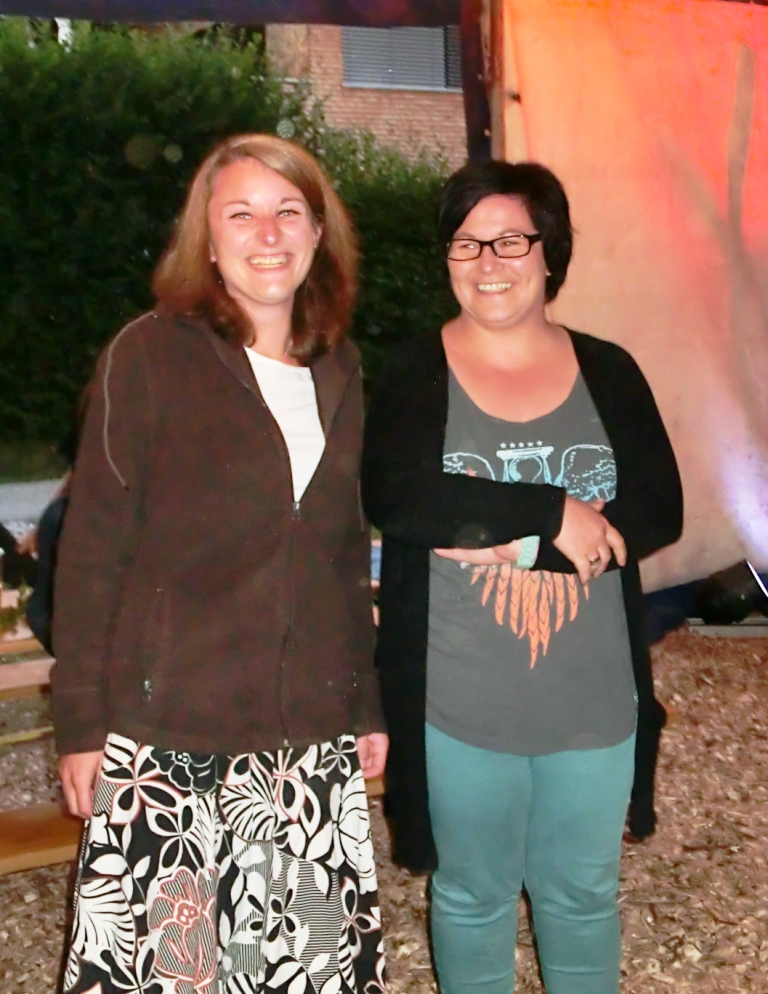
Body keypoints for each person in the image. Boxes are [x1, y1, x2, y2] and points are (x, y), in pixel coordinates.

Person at [52, 133, 388, 994]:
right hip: (173, 745)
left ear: (318, 233)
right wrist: (82, 724)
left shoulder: (339, 368)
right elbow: (91, 552)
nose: (267, 234)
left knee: (302, 974)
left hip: (308, 744)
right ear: (206, 240)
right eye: (241, 214)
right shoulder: (149, 356)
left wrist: (364, 700)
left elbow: (342, 553)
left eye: (289, 212)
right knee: (175, 976)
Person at [362, 160, 682, 994]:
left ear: (550, 252)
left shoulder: (608, 370)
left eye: (510, 240)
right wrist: (551, 513)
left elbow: (659, 509)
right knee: (472, 898)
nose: (487, 262)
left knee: (582, 898)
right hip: (459, 707)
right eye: (466, 243)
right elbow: (400, 497)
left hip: (593, 702)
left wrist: (525, 547)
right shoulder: (412, 369)